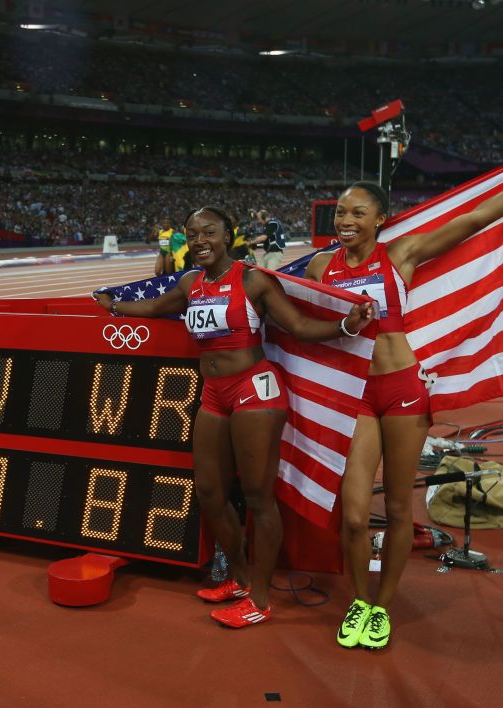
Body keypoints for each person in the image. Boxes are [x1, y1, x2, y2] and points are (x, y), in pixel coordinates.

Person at [304, 134, 503, 650]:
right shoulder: (322, 267)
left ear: (380, 219)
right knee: (354, 512)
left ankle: (381, 608)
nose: (345, 220)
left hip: (402, 391)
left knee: (405, 510)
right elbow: (300, 317)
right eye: (340, 212)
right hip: (356, 394)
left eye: (357, 213)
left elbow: (476, 219)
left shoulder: (402, 254)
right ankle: (358, 603)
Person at [93, 206, 374, 627]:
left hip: (254, 390)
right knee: (209, 491)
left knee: (259, 498)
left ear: (229, 236)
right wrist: (114, 305)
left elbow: (296, 324)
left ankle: (260, 601)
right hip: (214, 394)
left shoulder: (251, 279)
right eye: (192, 234)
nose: (199, 240)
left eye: (209, 232)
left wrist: (345, 326)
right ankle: (241, 577)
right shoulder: (191, 284)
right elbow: (154, 308)